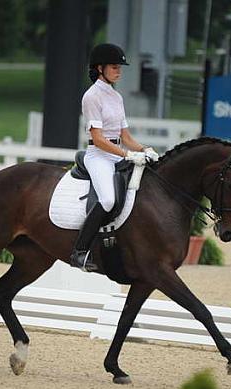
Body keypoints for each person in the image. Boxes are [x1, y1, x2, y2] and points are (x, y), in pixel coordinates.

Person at [70, 43, 159, 272]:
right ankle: (80, 251)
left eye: (119, 67)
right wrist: (128, 155)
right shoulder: (91, 97)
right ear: (100, 68)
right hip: (98, 156)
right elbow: (99, 139)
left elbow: (125, 136)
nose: (119, 71)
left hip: (117, 154)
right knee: (108, 200)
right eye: (114, 67)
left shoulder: (116, 97)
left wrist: (144, 149)